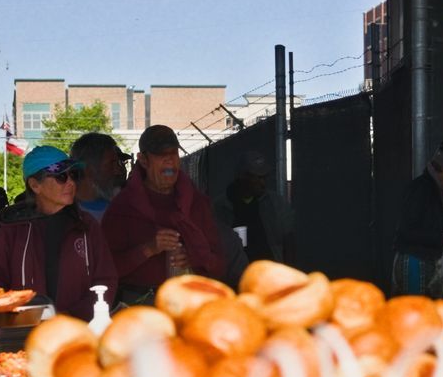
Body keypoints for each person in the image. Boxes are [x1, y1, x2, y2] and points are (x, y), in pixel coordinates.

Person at [0, 145, 119, 320]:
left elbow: (106, 280)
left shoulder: (86, 225)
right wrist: (18, 317)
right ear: (35, 185)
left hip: (77, 332)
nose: (71, 182)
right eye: (61, 176)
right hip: (24, 334)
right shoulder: (13, 229)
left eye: (73, 175)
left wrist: (69, 317)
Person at [101, 123, 223, 302]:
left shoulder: (197, 203)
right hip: (140, 305)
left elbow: (220, 263)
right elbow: (105, 270)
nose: (169, 161)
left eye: (173, 154)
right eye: (161, 155)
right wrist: (148, 249)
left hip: (189, 301)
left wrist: (193, 258)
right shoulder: (123, 207)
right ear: (143, 160)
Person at [392, 137, 443, 297]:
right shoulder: (421, 190)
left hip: (425, 264)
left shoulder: (437, 193)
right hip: (415, 264)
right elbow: (407, 232)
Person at [212, 150, 293, 289]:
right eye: (257, 177)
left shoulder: (274, 203)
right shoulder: (220, 207)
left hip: (271, 279)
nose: (262, 182)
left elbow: (289, 241)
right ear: (242, 177)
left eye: (264, 177)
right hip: (236, 282)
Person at [70, 130, 129, 218]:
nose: (118, 170)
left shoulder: (124, 209)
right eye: (111, 163)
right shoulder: (65, 214)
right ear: (89, 168)